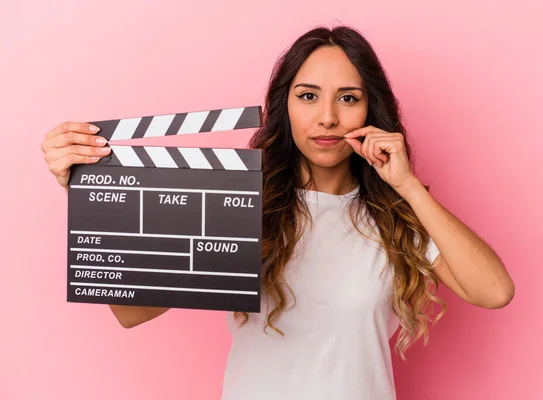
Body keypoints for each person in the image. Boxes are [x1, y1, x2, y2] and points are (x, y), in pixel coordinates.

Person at [40, 25, 515, 400]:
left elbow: (494, 291)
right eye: (308, 96)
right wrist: (89, 194)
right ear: (284, 107)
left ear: (372, 108)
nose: (327, 116)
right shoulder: (240, 204)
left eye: (347, 98)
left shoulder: (394, 217)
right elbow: (134, 311)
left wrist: (408, 186)